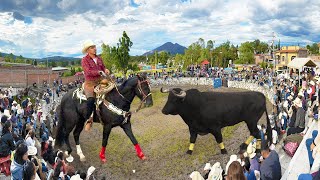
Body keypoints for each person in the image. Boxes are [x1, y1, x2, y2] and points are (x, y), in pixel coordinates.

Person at [81, 40, 110, 131]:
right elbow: (87, 72)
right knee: (90, 100)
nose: (94, 49)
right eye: (92, 47)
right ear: (87, 50)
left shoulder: (99, 58)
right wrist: (98, 72)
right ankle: (88, 120)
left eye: (94, 47)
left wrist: (105, 69)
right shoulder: (84, 60)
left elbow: (103, 67)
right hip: (90, 83)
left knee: (113, 89)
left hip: (101, 81)